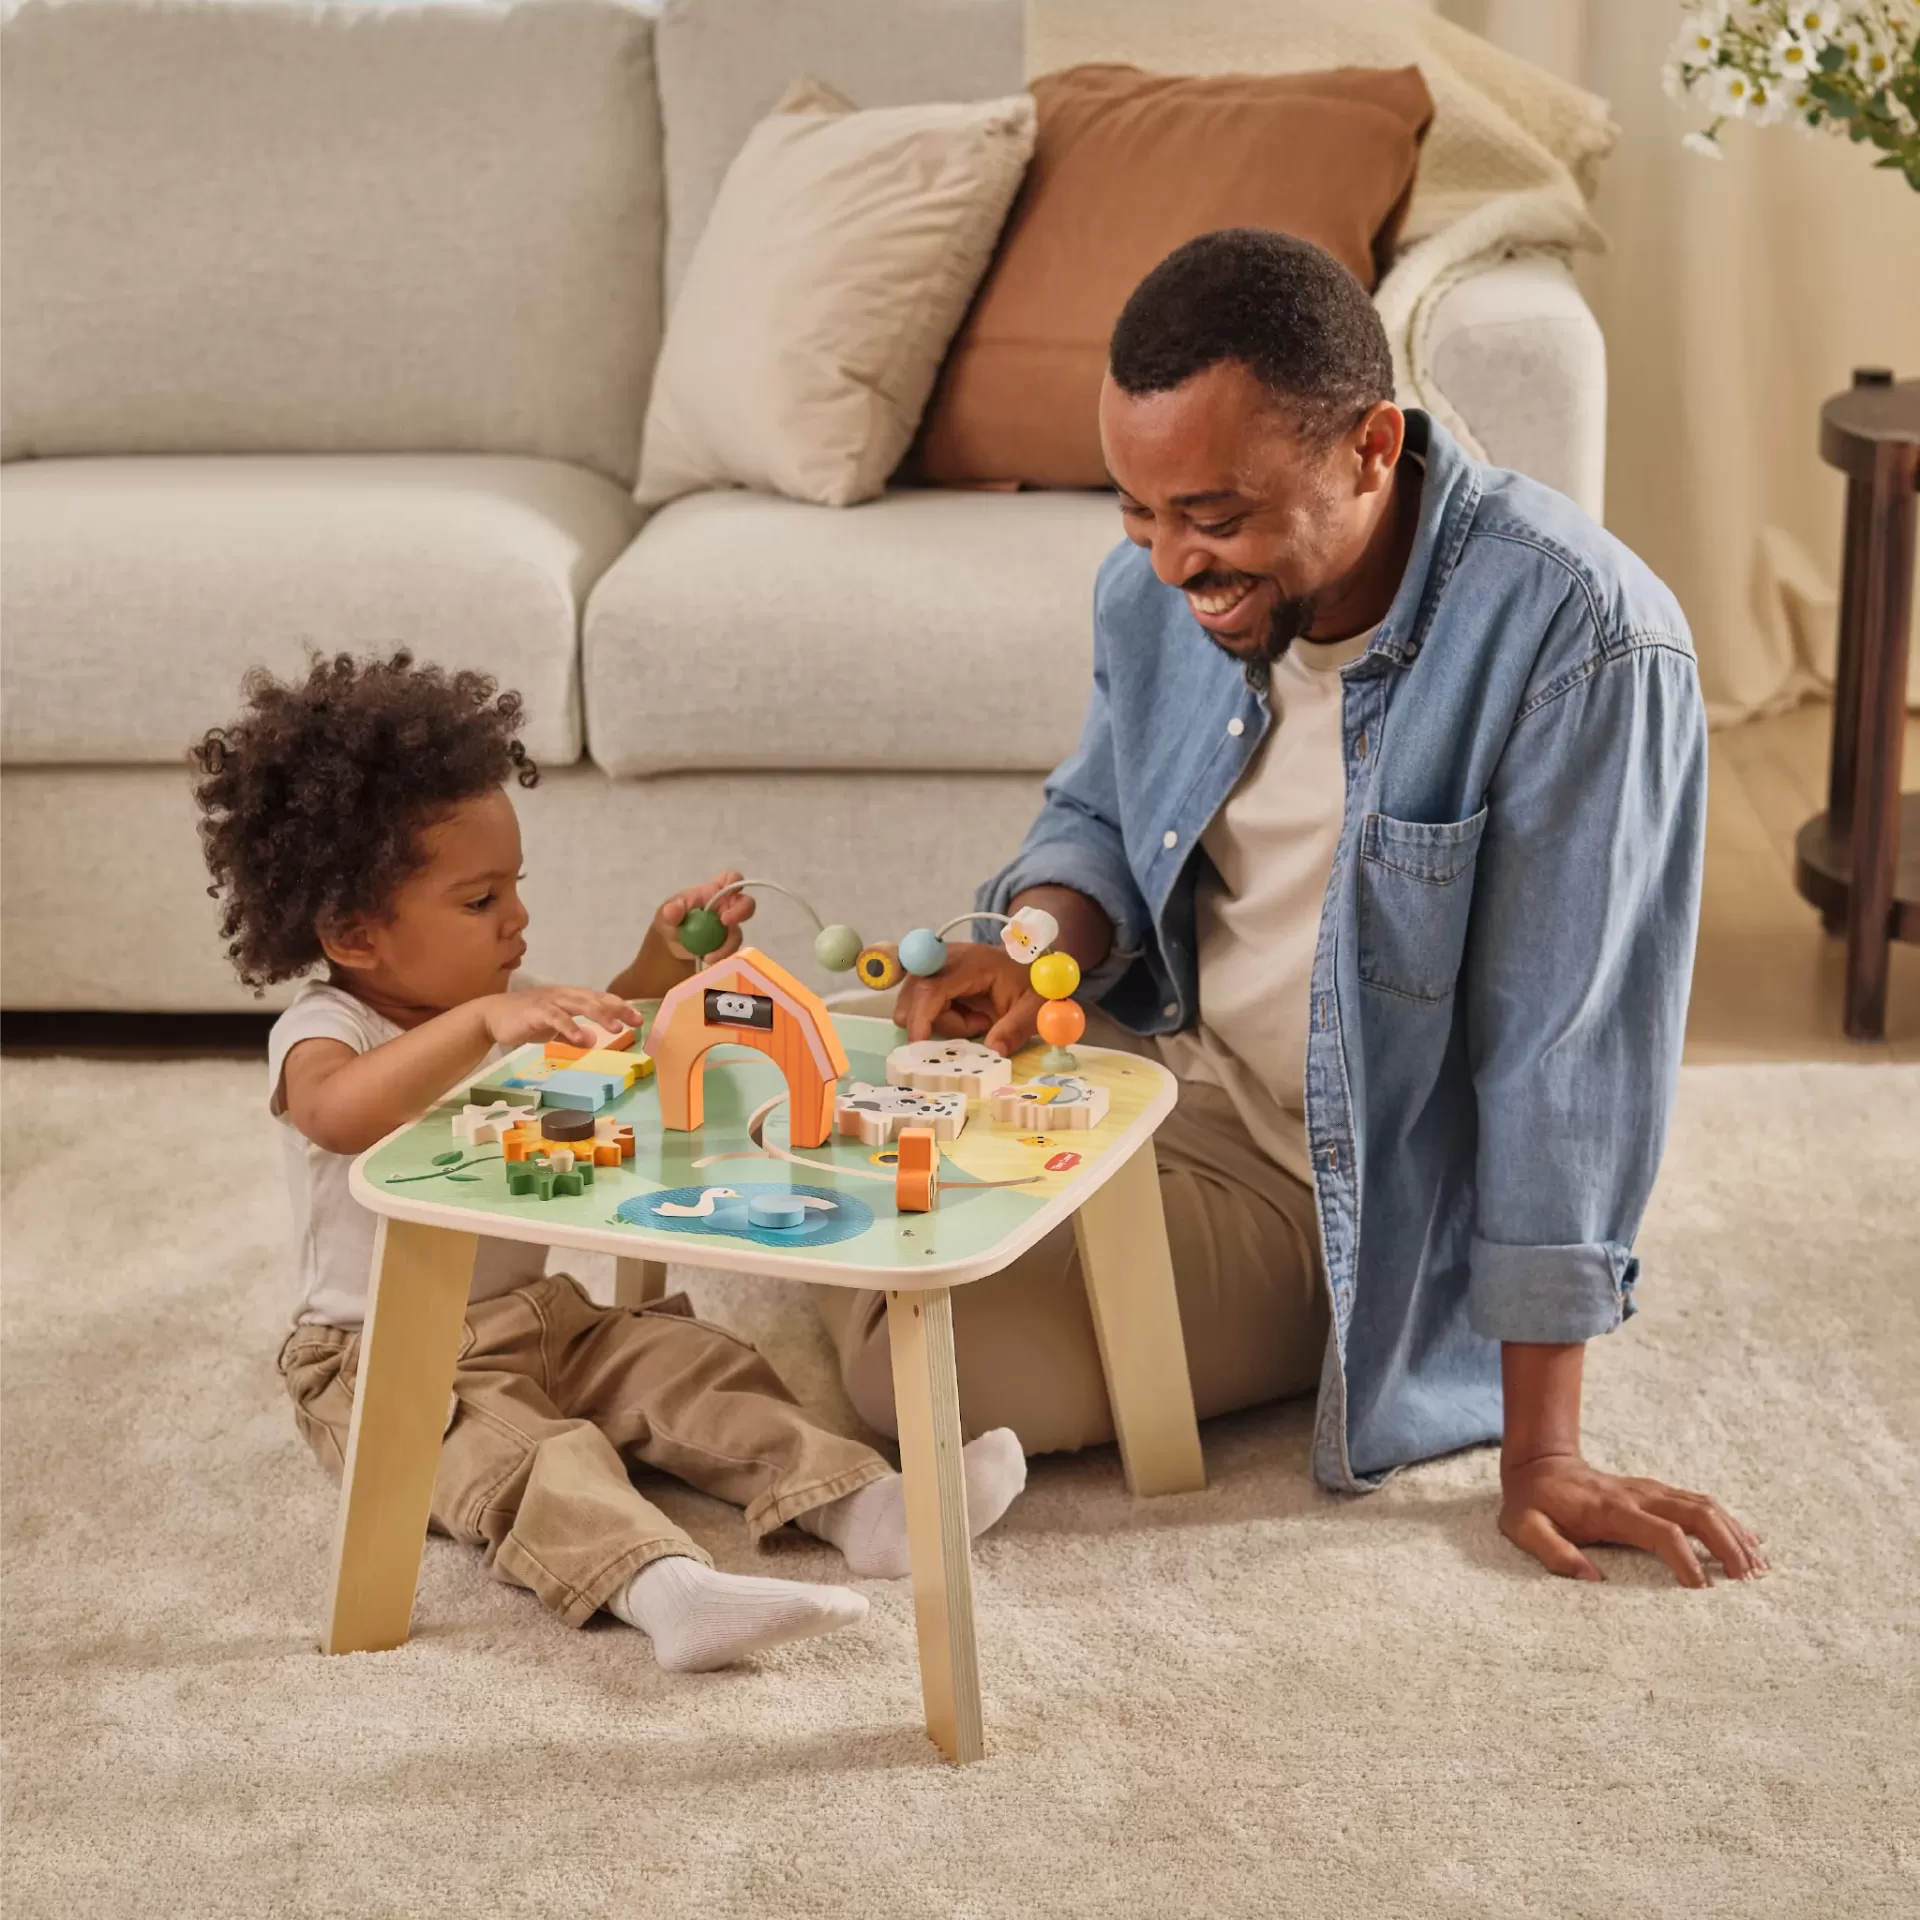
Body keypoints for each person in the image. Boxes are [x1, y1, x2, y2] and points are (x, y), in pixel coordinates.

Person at [819, 228, 1766, 1589]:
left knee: (913, 1357)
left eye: (1213, 518)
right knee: (817, 1087)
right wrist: (1035, 945)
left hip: (1337, 1201)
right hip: (1156, 1068)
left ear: (1371, 447)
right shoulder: (1164, 586)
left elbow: (1568, 1056)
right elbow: (1098, 813)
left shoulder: (1583, 640)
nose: (1170, 564)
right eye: (1137, 513)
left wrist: (1544, 1450)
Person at [190, 652, 1026, 1670]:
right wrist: (485, 1023)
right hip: (379, 1358)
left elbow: (617, 1030)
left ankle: (867, 1508)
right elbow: (336, 1114)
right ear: (355, 934)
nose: (517, 919)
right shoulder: (327, 1028)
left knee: (694, 1365)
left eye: (516, 888)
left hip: (542, 1319)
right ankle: (668, 1591)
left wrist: (661, 963)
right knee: (538, 1457)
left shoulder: (501, 1001)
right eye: (479, 900)